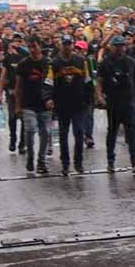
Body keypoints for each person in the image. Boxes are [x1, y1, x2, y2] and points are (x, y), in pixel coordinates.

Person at [95, 35, 135, 174]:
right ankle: (110, 161)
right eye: (117, 46)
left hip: (129, 101)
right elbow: (99, 81)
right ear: (112, 47)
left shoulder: (130, 61)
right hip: (113, 102)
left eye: (122, 46)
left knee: (131, 130)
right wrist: (99, 96)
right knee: (112, 132)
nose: (120, 48)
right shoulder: (105, 63)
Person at [49, 35, 92, 175]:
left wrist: (90, 98)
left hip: (79, 103)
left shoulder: (81, 61)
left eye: (69, 44)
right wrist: (49, 98)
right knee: (63, 135)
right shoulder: (54, 63)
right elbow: (49, 83)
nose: (67, 46)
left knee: (79, 133)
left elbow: (88, 81)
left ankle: (78, 163)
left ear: (72, 45)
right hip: (62, 105)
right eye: (64, 44)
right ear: (61, 45)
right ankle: (65, 164)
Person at [14, 36, 54, 174]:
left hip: (45, 104)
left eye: (34, 46)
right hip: (28, 104)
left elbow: (53, 84)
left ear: (40, 46)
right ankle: (30, 158)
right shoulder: (23, 64)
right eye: (29, 47)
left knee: (45, 133)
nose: (32, 50)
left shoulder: (49, 63)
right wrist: (18, 105)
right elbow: (18, 86)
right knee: (30, 130)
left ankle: (41, 162)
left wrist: (53, 100)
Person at [0, 33, 27, 151]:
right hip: (10, 92)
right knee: (12, 117)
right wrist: (0, 94)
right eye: (15, 41)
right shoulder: (8, 58)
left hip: (24, 93)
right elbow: (3, 76)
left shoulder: (26, 57)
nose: (17, 43)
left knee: (24, 118)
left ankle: (22, 142)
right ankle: (13, 139)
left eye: (19, 41)